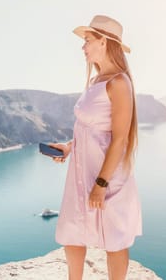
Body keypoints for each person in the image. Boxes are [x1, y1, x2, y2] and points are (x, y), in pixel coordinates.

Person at [49, 15, 142, 280]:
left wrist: (101, 184)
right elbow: (89, 129)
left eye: (87, 41)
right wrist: (68, 148)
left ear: (104, 42)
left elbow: (120, 139)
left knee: (115, 237)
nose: (83, 47)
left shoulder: (119, 83)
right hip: (81, 172)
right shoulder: (96, 82)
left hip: (106, 175)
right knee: (72, 233)